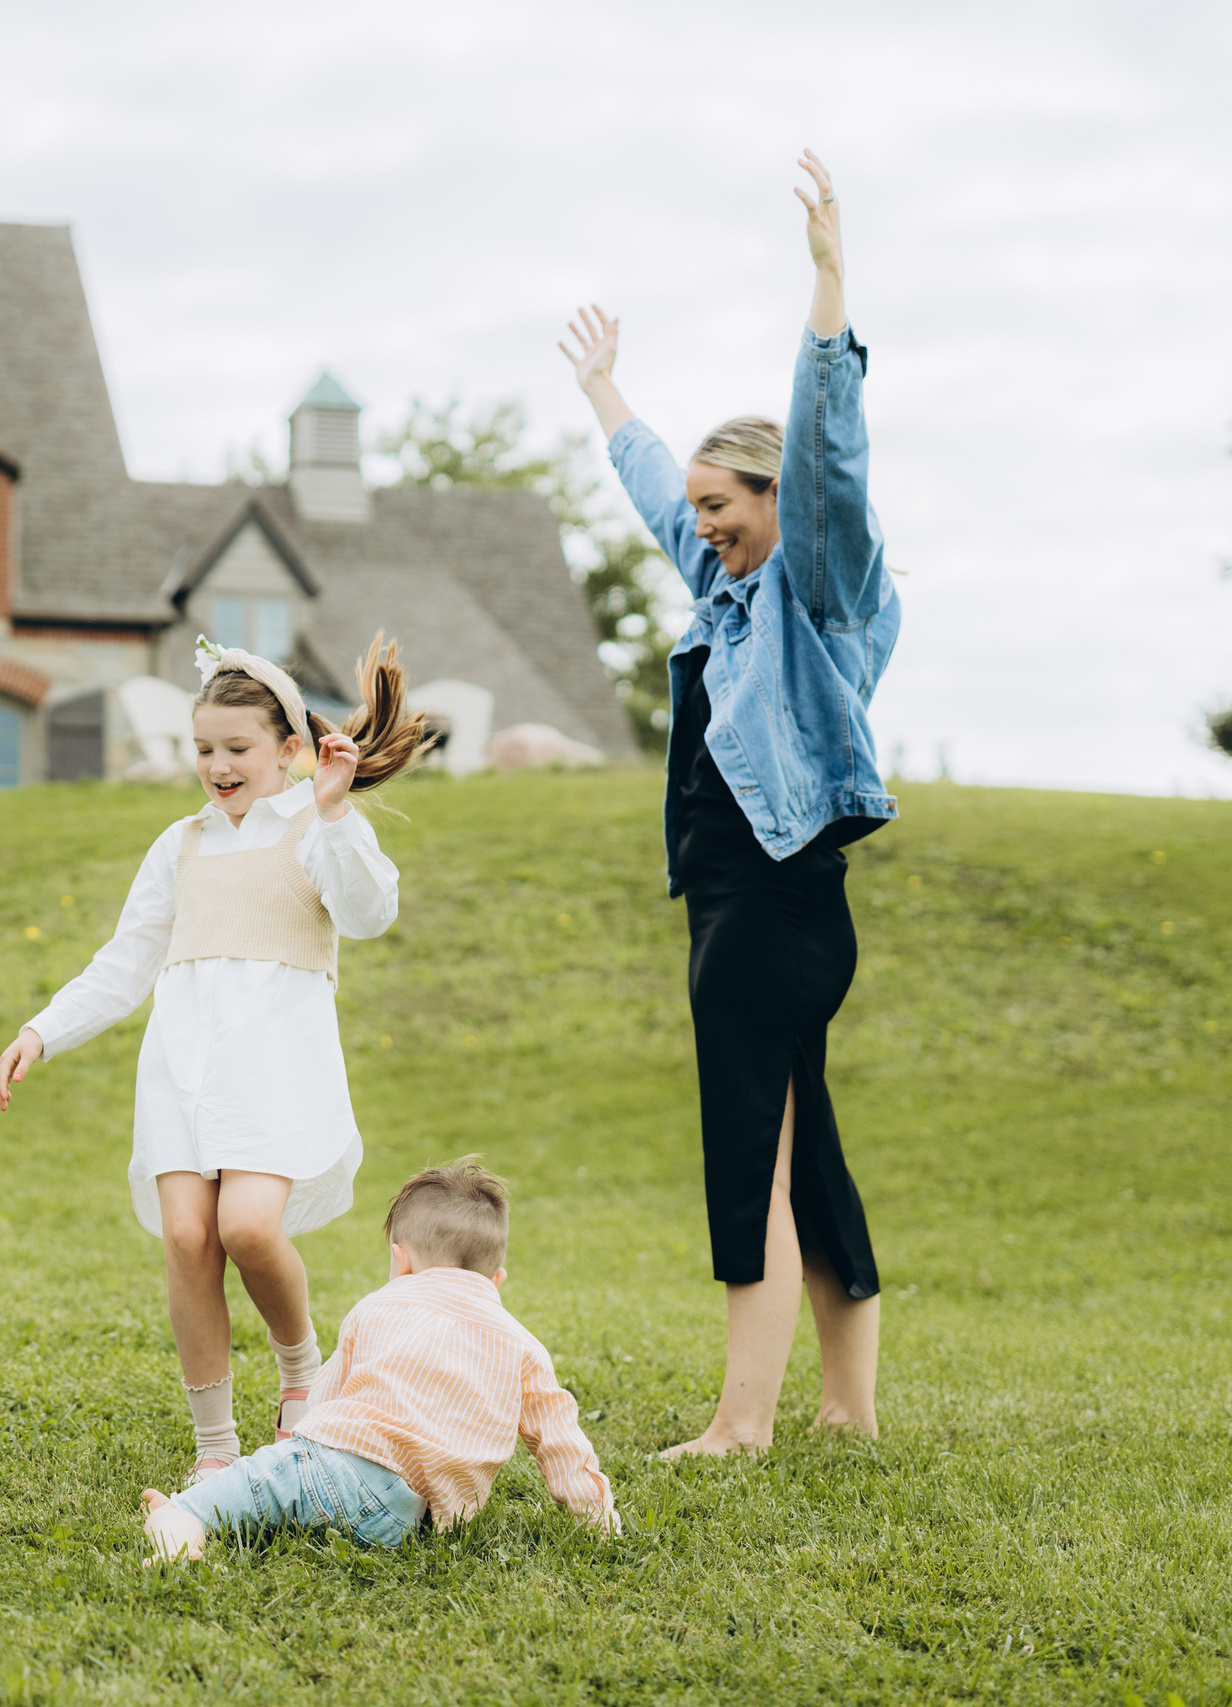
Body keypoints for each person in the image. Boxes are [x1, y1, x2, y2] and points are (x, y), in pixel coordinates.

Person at [558, 149, 899, 1456]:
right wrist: (604, 393)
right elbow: (656, 491)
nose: (700, 527)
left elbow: (831, 458)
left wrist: (827, 291)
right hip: (750, 908)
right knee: (804, 1154)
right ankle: (846, 1408)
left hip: (768, 908)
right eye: (695, 510)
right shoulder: (725, 593)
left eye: (724, 506)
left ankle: (741, 1422)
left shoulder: (815, 586)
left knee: (747, 1149)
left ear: (775, 502)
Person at [0, 630, 423, 1487]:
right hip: (182, 1073)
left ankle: (303, 1375)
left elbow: (371, 913)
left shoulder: (316, 825)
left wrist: (334, 809)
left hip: (274, 1071)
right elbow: (126, 961)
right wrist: (43, 1027)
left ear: (288, 750)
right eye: (203, 749)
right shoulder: (179, 843)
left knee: (249, 1226)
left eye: (237, 748)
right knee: (189, 1236)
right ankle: (215, 1443)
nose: (218, 765)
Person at [142, 1160, 617, 1559]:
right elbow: (561, 1444)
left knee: (205, 1502)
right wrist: (600, 1522)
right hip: (404, 1519)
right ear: (497, 1279)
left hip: (327, 1467)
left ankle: (178, 1538)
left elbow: (323, 1403)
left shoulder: (379, 1306)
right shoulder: (522, 1346)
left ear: (401, 1260)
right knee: (303, 1506)